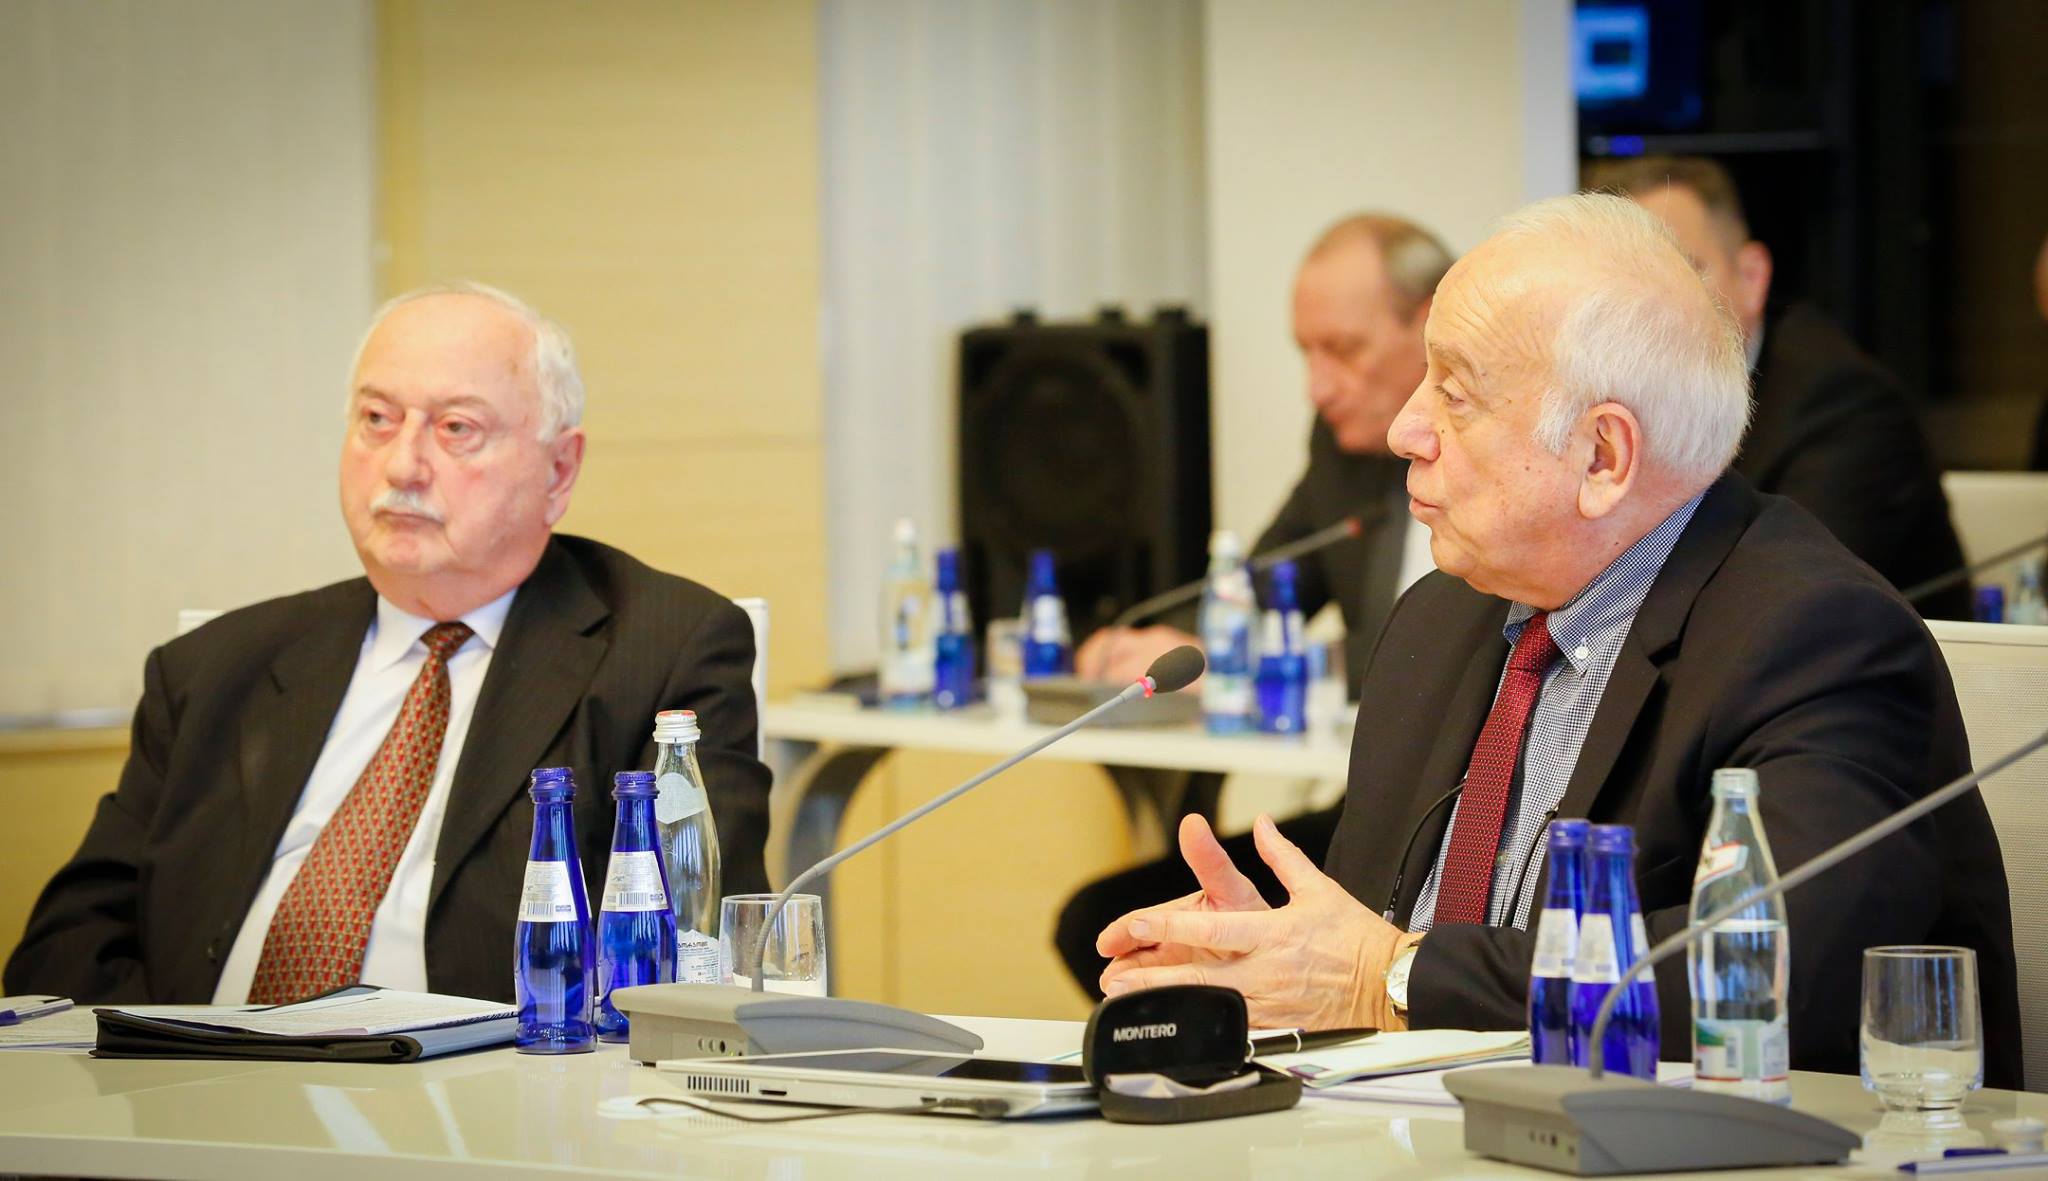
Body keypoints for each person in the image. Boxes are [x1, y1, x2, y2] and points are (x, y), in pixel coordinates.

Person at [1093, 194, 2021, 1086]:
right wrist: (1278, 961)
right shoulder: (1434, 625)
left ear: (1603, 457)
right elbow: (1368, 956)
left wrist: (1395, 977)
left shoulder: (1814, 638)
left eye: (1454, 394)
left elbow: (1781, 976)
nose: (1405, 429)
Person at [5, 283, 771, 1005]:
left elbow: (697, 952)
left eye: (456, 428)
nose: (402, 465)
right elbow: (63, 955)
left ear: (559, 469)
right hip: (193, 1078)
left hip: (484, 1090)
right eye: (377, 419)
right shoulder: (212, 668)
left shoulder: (664, 652)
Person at [1054, 214, 1452, 996]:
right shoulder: (1342, 446)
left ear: (1430, 321)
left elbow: (1442, 655)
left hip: (1459, 833)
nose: (1318, 386)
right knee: (1108, 930)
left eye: (1343, 349)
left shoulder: (1496, 456)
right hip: (1369, 814)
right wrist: (1175, 644)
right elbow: (1268, 579)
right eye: (1306, 352)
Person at [1590, 155, 1972, 618]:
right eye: (1621, 286)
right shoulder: (1606, 401)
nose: (1648, 307)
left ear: (1751, 277)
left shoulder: (1844, 403)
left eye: (1682, 271)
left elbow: (1783, 598)